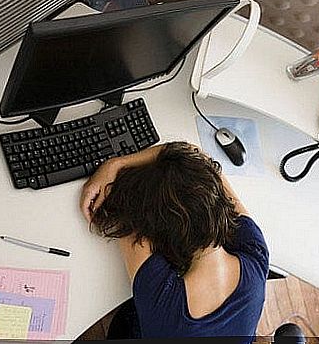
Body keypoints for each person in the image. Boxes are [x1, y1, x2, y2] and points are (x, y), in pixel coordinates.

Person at [79, 141, 269, 339]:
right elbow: (198, 157)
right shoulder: (256, 254)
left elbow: (116, 202)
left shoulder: (164, 302)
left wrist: (116, 165)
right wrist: (115, 166)